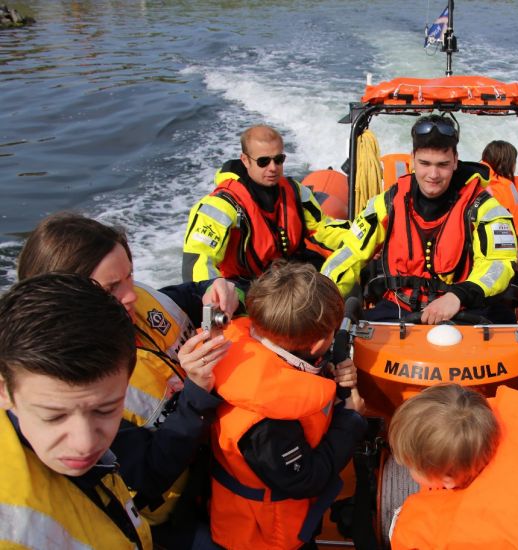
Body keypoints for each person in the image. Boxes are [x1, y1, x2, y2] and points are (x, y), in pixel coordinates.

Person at [16, 212, 237, 543]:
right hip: (172, 516)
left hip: (217, 463)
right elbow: (147, 476)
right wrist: (196, 390)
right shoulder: (71, 389)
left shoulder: (141, 300)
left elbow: (193, 294)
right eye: (111, 287)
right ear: (65, 297)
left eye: (129, 275)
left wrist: (218, 289)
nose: (130, 293)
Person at [209, 261, 367, 549]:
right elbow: (305, 478)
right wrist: (351, 419)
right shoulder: (266, 422)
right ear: (318, 343)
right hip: (266, 536)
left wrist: (327, 371)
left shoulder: (243, 352)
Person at [322, 115, 518, 324]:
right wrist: (321, 294)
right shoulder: (388, 203)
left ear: (455, 161)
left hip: (463, 309)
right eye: (425, 163)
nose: (433, 174)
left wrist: (459, 295)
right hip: (398, 309)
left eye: (442, 164)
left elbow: (498, 263)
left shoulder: (484, 208)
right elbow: (351, 252)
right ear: (412, 159)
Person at [388, 383, 518, 549]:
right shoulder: (516, 482)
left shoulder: (427, 533)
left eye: (411, 466)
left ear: (448, 479)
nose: (405, 467)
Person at [182, 125, 350, 283]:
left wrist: (359, 236)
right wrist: (213, 290)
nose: (273, 168)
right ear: (245, 160)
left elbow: (321, 229)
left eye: (278, 160)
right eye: (263, 161)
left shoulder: (296, 192)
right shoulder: (221, 205)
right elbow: (199, 258)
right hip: (243, 285)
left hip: (289, 275)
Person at [481, 140, 518, 254]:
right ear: (506, 163)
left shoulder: (509, 184)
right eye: (514, 161)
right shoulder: (491, 189)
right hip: (507, 251)